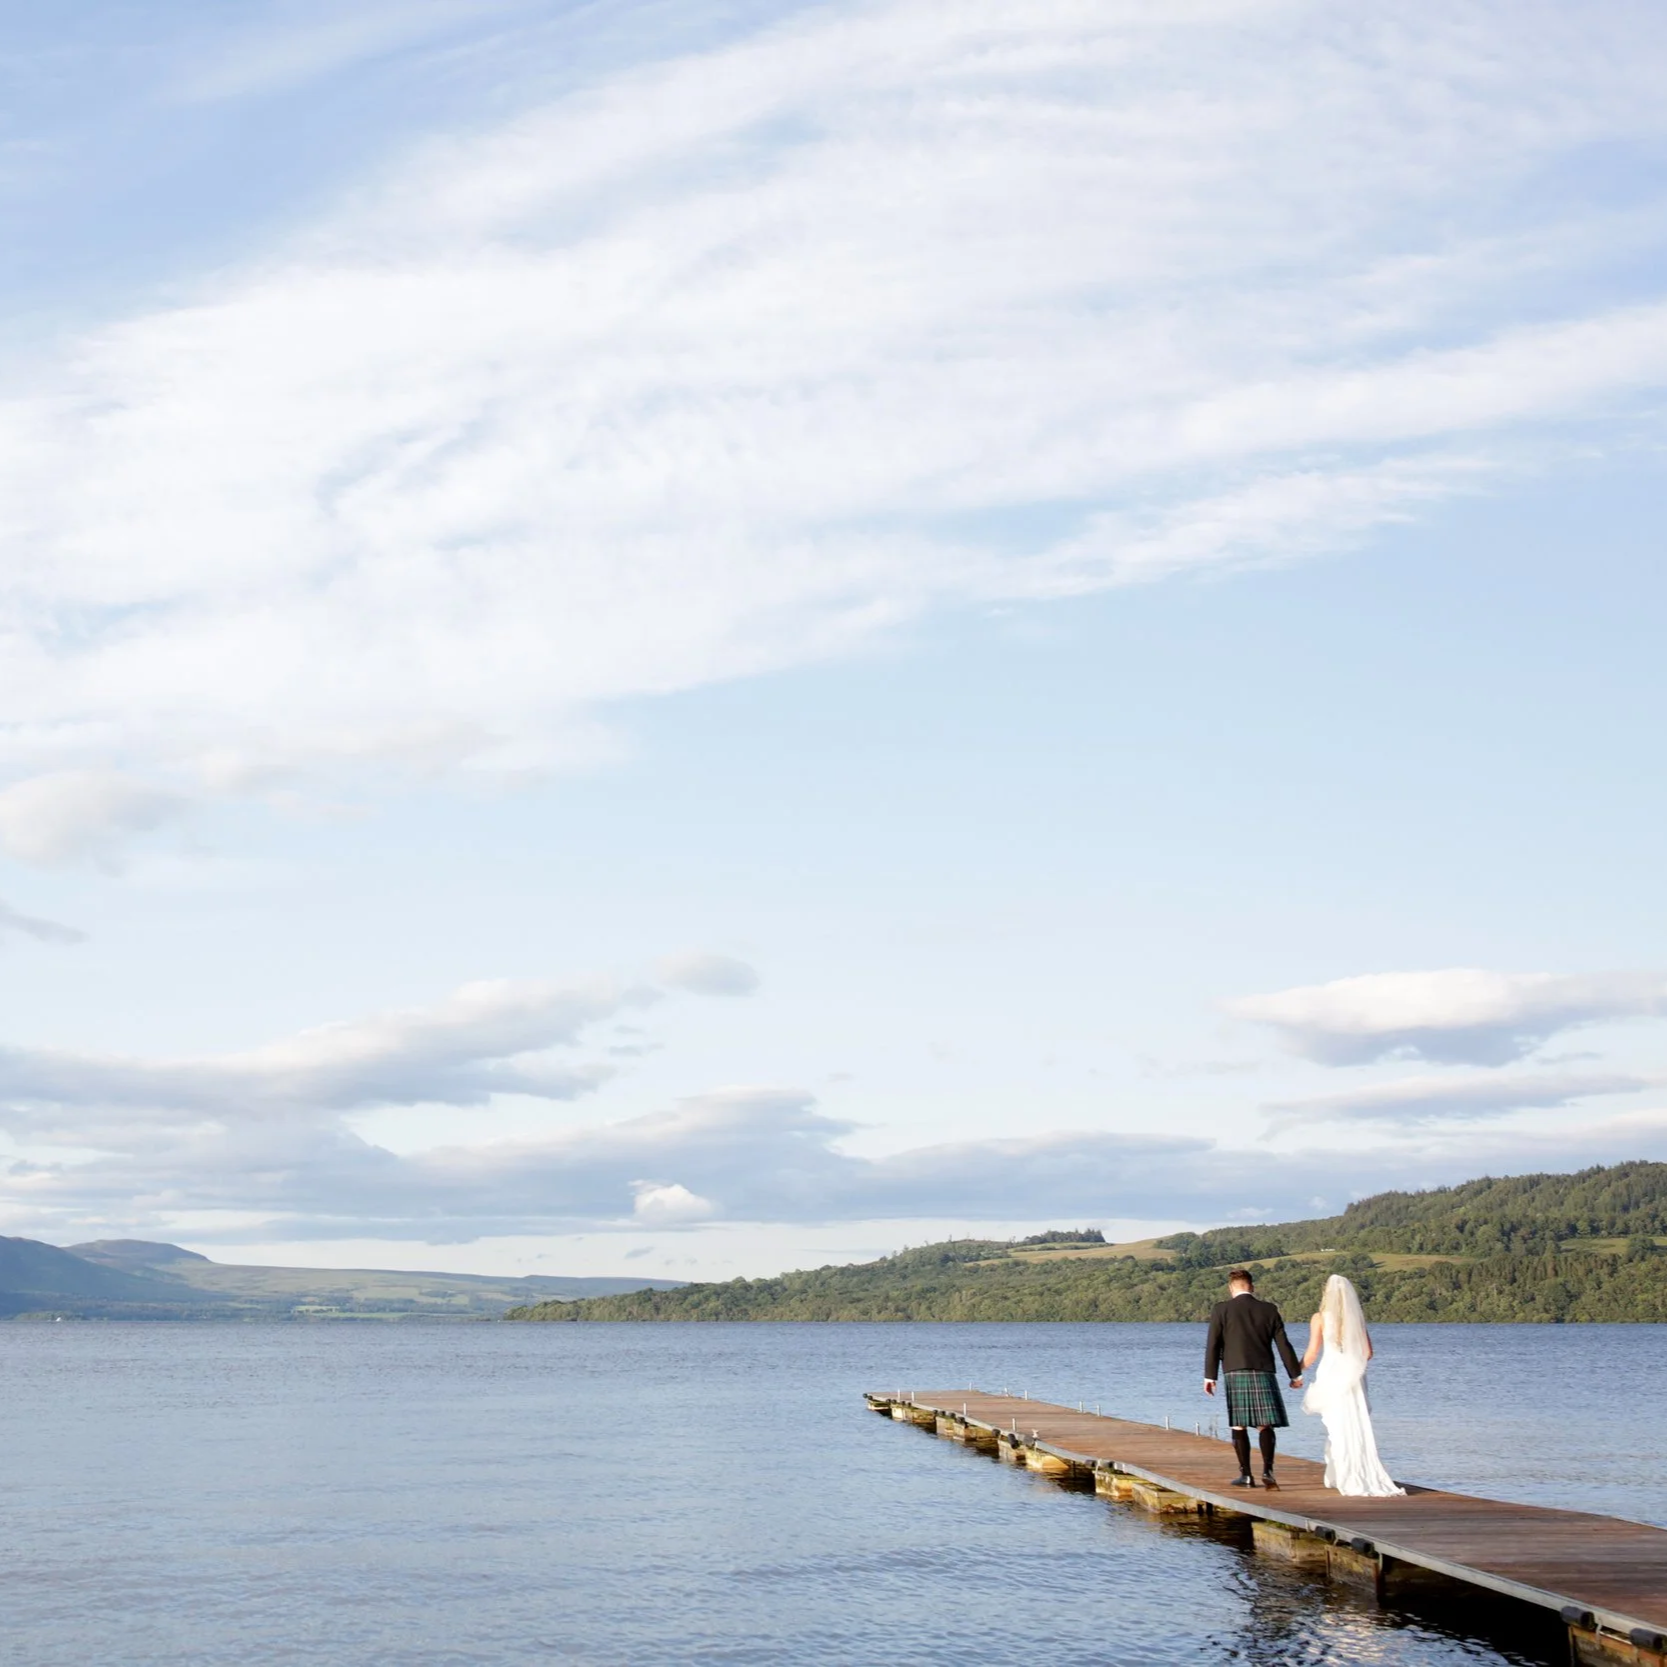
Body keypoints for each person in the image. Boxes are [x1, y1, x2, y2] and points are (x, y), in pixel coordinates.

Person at [1300, 1274, 1404, 1497]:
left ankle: (1343, 1475)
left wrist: (1295, 1372)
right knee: (1357, 1424)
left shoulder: (1319, 1318)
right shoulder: (1356, 1320)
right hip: (1353, 1379)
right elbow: (1368, 1353)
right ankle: (1352, 1474)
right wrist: (1351, 1365)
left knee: (1337, 1427)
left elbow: (1311, 1353)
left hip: (1331, 1377)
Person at [1203, 1269, 1303, 1490]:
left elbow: (1213, 1345)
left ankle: (1246, 1476)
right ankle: (1268, 1471)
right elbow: (1283, 1345)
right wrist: (1295, 1374)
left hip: (1235, 1371)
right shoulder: (1269, 1310)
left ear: (1231, 1288)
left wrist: (1210, 1376)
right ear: (1252, 1286)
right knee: (1265, 1423)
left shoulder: (1222, 1309)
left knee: (1239, 1425)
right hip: (1264, 1371)